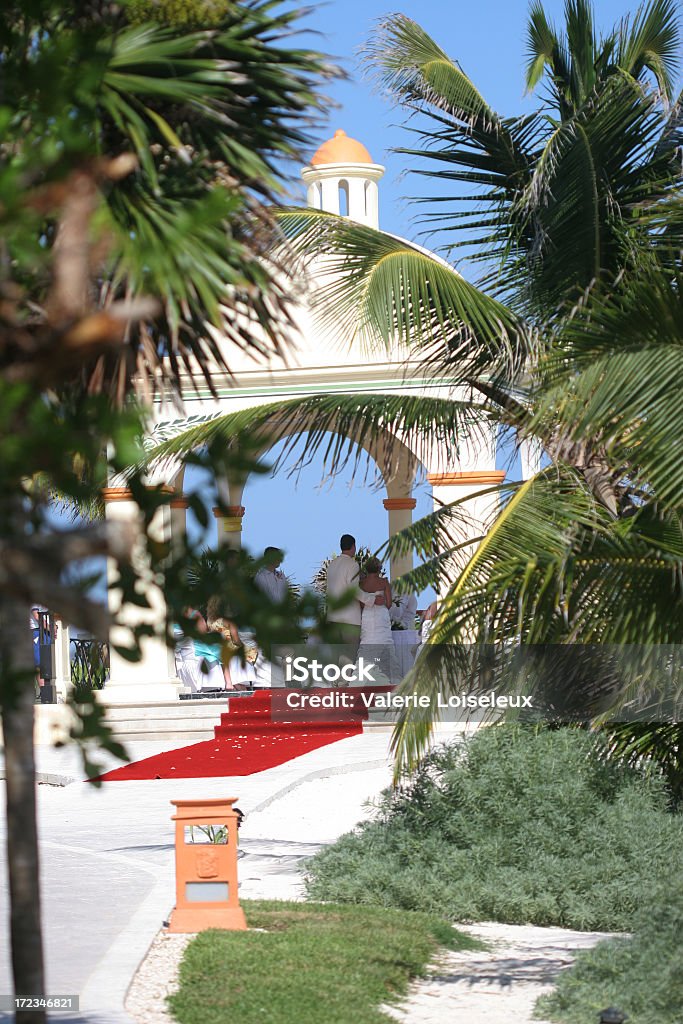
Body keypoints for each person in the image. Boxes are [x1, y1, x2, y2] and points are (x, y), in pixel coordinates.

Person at [325, 534, 375, 657]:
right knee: (348, 656)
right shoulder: (352, 565)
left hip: (333, 617)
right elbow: (354, 590)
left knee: (335, 657)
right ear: (353, 546)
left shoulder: (332, 565)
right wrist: (372, 599)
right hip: (349, 620)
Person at [359, 557, 397, 681]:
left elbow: (360, 604)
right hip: (381, 615)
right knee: (385, 643)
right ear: (379, 568)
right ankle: (391, 679)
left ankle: (364, 676)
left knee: (367, 641)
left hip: (367, 615)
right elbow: (389, 603)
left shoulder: (362, 584)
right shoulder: (384, 582)